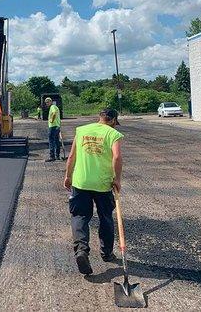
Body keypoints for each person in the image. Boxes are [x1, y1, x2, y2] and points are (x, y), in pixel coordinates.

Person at [63, 109, 123, 275]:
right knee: (105, 217)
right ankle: (107, 253)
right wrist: (117, 179)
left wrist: (68, 176)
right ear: (113, 120)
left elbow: (72, 156)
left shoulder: (81, 130)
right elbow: (116, 157)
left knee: (80, 216)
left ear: (100, 118)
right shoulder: (113, 133)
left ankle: (81, 250)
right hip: (102, 184)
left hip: (81, 182)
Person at [45, 98, 61, 162]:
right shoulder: (55, 107)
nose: (47, 103)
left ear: (51, 102)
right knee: (57, 141)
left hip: (53, 126)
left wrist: (51, 120)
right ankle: (57, 156)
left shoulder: (53, 107)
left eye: (48, 102)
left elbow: (54, 113)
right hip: (57, 126)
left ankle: (52, 156)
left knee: (51, 141)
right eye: (46, 102)